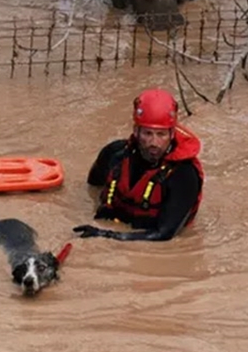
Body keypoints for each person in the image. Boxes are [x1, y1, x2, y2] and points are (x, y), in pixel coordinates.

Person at [72, 88, 204, 242]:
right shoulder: (115, 154)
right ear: (136, 131)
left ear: (172, 134)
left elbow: (164, 234)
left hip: (151, 241)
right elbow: (92, 188)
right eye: (147, 134)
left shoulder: (184, 175)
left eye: (161, 134)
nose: (154, 143)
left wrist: (107, 235)